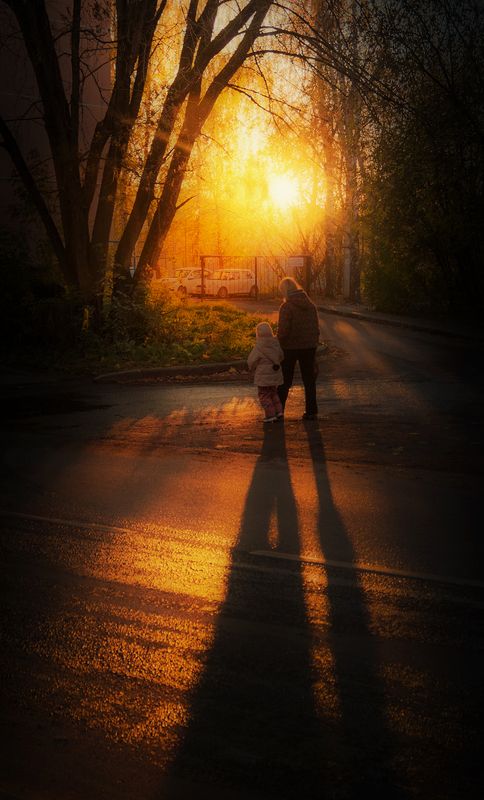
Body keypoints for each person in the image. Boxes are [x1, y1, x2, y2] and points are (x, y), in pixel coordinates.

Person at [277, 276, 320, 420]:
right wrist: (313, 343)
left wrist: (278, 341)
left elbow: (283, 331)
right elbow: (316, 327)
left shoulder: (286, 307)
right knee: (309, 380)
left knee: (285, 381)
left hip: (290, 347)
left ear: (285, 291)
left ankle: (279, 412)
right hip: (309, 347)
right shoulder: (310, 305)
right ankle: (311, 412)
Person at [247, 321, 284, 423]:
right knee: (274, 394)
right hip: (275, 375)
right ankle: (279, 412)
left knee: (264, 396)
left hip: (263, 379)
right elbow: (281, 356)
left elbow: (251, 361)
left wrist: (252, 368)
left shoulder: (259, 346)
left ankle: (270, 415)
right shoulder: (276, 343)